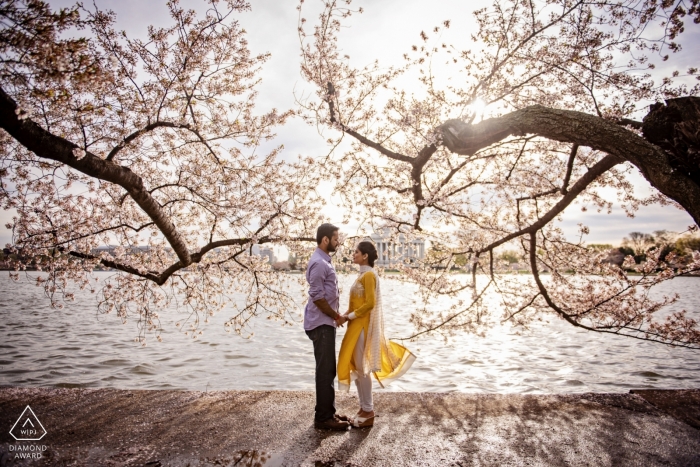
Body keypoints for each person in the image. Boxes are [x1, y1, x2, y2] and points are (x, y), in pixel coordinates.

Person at [337, 241, 416, 428]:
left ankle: (369, 409)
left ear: (365, 256)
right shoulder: (361, 276)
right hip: (355, 326)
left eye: (356, 252)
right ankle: (363, 408)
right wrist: (344, 317)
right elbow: (357, 304)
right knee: (357, 368)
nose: (353, 254)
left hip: (363, 327)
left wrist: (349, 316)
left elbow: (370, 304)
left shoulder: (370, 276)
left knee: (363, 370)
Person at [304, 223, 350, 431]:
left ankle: (327, 412)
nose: (337, 241)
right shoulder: (320, 263)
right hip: (322, 323)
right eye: (335, 238)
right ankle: (323, 419)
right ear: (325, 240)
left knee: (327, 369)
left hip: (325, 322)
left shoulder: (324, 261)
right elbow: (317, 297)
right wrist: (336, 316)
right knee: (325, 371)